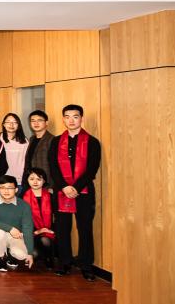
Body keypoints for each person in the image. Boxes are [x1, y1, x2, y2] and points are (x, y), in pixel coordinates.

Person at [48, 104, 101, 281]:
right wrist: (64, 186)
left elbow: (92, 169)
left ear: (81, 119)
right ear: (63, 119)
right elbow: (53, 167)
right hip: (61, 191)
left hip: (83, 192)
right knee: (62, 228)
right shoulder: (56, 141)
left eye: (75, 116)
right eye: (67, 116)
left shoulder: (92, 142)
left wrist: (76, 188)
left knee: (85, 228)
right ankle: (65, 263)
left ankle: (86, 265)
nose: (71, 120)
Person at [0, 175, 35, 272]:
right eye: (2, 187)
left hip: (16, 236)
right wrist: (10, 228)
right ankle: (1, 258)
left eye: (10, 188)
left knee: (21, 255)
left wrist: (30, 253)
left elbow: (28, 228)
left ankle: (11, 255)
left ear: (16, 189)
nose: (6, 191)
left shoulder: (24, 205)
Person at [22, 168, 56, 268]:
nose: (35, 182)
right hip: (31, 232)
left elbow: (56, 216)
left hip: (48, 230)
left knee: (45, 240)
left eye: (39, 179)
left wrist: (48, 229)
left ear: (44, 181)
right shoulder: (23, 197)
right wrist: (38, 231)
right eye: (32, 179)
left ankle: (49, 258)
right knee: (35, 254)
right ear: (27, 180)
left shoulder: (50, 196)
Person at [24, 110, 55, 184]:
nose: (36, 123)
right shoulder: (31, 139)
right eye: (33, 121)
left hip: (46, 182)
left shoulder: (52, 140)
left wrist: (51, 186)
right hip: (31, 181)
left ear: (46, 123)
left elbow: (54, 165)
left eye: (39, 120)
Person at [0, 113, 30, 190]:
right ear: (3, 124)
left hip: (19, 181)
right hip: (3, 179)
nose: (11, 125)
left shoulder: (24, 141)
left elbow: (26, 161)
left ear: (18, 125)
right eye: (8, 122)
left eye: (14, 122)